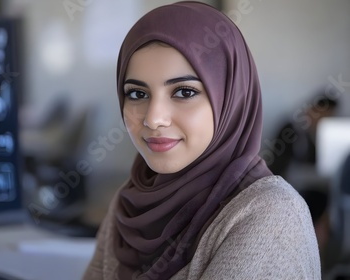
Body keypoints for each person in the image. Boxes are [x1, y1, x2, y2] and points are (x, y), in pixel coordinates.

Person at [82, 2, 320, 279]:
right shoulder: (130, 201)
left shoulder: (271, 216)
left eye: (184, 92)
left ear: (230, 99)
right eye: (136, 94)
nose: (153, 119)